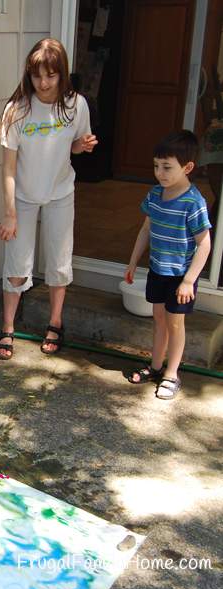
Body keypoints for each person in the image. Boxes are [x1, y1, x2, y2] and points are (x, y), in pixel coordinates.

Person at [0, 38, 97, 360]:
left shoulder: (75, 105)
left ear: (61, 74)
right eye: (37, 76)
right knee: (16, 265)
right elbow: (8, 168)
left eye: (51, 76)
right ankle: (7, 328)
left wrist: (83, 145)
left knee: (58, 261)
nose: (44, 83)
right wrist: (9, 213)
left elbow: (74, 146)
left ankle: (55, 322)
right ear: (29, 74)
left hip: (61, 194)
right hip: (23, 197)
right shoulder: (17, 109)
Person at [125, 130, 212, 400]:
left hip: (179, 276)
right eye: (156, 166)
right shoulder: (155, 194)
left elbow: (205, 244)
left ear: (187, 168)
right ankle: (155, 366)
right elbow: (145, 230)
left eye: (167, 167)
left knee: (176, 324)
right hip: (158, 270)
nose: (160, 173)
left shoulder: (193, 202)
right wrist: (132, 262)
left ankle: (172, 374)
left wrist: (188, 281)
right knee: (159, 321)